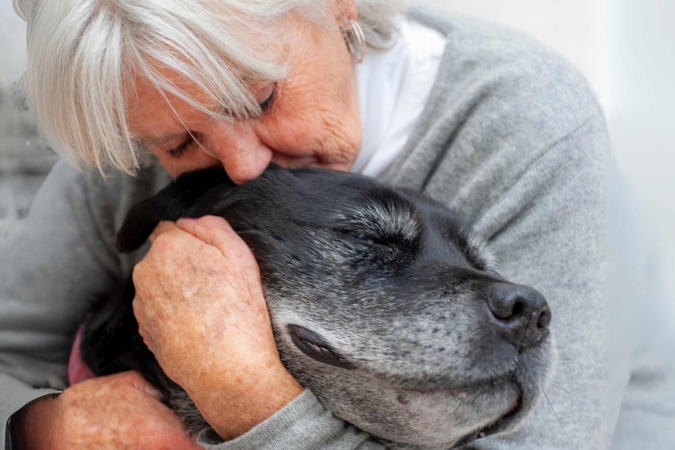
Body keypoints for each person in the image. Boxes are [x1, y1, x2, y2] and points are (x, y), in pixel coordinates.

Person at [2, 0, 670, 449]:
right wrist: (47, 424)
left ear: (339, 7)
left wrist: (244, 393)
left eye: (261, 96)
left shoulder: (527, 123)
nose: (241, 165)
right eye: (179, 147)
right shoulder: (144, 112)